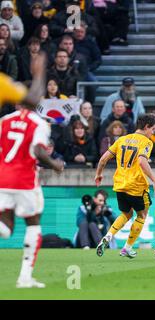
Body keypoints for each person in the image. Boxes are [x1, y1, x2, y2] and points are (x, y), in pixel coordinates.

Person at [0, 53, 65, 288]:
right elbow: (38, 152)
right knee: (33, 223)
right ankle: (24, 278)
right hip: (25, 180)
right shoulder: (39, 123)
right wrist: (55, 164)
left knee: (5, 229)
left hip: (2, 179)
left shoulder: (5, 120)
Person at [95, 113, 155, 259]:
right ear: (146, 127)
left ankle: (107, 236)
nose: (153, 133)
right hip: (136, 185)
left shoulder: (122, 140)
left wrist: (98, 174)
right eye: (153, 129)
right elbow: (142, 162)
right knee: (142, 215)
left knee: (126, 214)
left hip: (120, 184)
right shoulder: (146, 142)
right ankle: (127, 248)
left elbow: (103, 159)